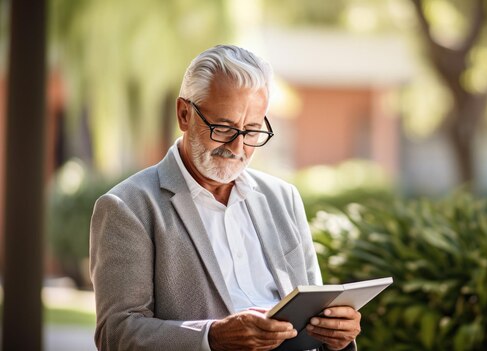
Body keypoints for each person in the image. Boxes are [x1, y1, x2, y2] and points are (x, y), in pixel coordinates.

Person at [89, 45, 361, 351]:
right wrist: (212, 337)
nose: (238, 146)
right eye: (224, 128)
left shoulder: (283, 198)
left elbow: (313, 312)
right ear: (184, 114)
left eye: (252, 130)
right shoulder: (128, 208)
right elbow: (116, 334)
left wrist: (336, 334)